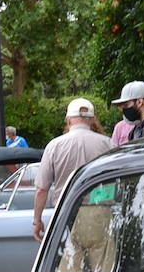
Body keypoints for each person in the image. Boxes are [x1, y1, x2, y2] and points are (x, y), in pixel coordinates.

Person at [33, 97, 114, 241]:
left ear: (68, 120)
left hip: (66, 212)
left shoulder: (54, 145)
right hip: (100, 211)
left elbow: (41, 189)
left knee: (69, 261)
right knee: (102, 263)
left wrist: (37, 220)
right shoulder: (107, 144)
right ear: (92, 120)